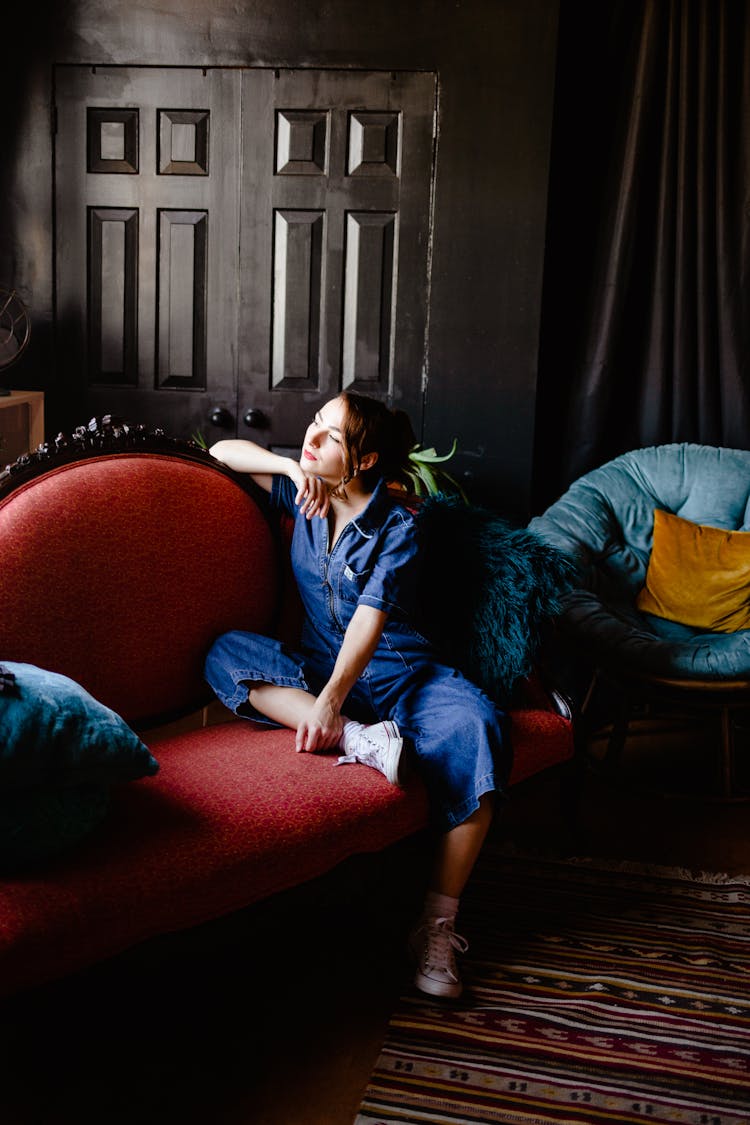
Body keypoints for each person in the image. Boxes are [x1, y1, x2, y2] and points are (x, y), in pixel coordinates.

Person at [204, 392, 511, 999]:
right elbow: (220, 450)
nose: (312, 438)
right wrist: (291, 468)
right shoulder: (302, 490)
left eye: (331, 437)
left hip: (401, 673)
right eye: (315, 424)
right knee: (226, 652)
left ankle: (435, 927)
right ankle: (360, 742)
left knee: (478, 726)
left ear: (365, 459)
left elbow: (371, 617)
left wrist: (328, 701)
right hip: (322, 670)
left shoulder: (399, 526)